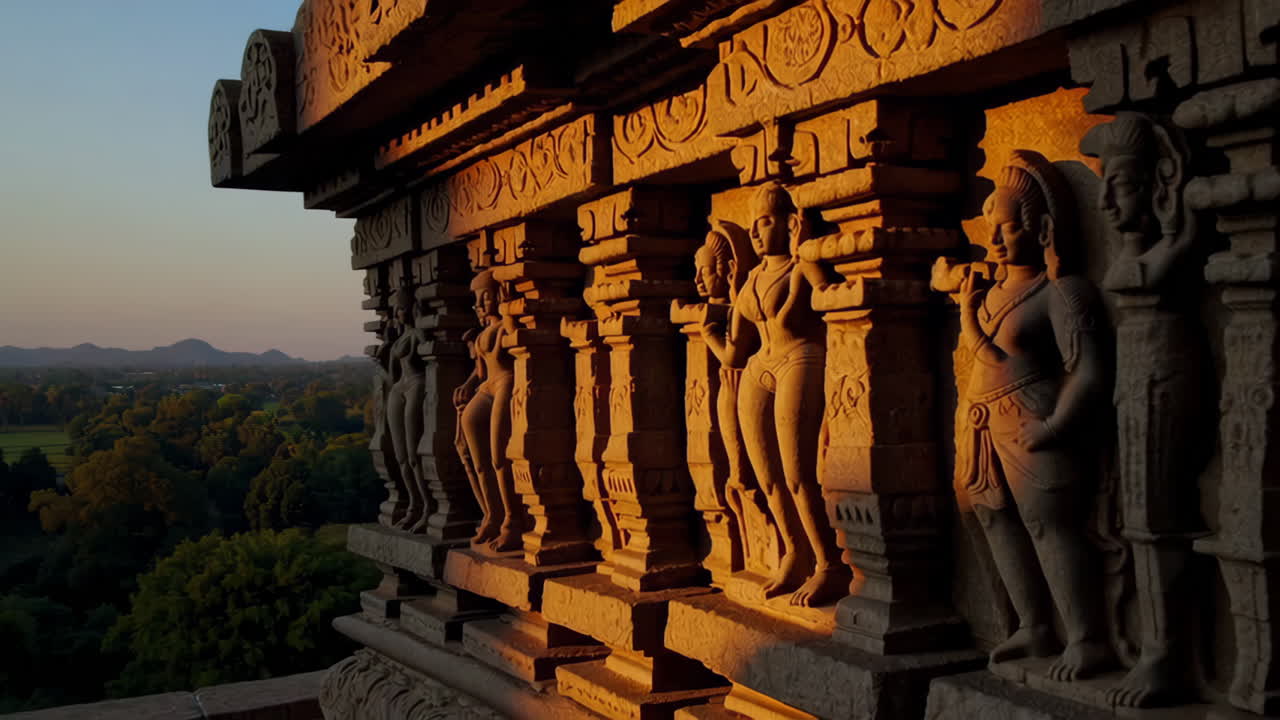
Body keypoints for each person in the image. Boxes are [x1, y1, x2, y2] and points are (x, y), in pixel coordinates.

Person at [950, 150, 1112, 681]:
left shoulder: (1060, 292)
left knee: (1051, 527)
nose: (995, 240)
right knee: (996, 522)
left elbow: (1087, 372)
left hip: (1034, 422)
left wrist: (1054, 426)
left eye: (1009, 227)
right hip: (984, 428)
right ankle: (1033, 624)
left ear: (1042, 229)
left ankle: (1087, 639)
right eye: (990, 228)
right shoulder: (992, 292)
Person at [703, 182, 848, 607]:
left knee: (799, 475)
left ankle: (829, 563)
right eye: (753, 223)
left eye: (765, 221)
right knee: (766, 476)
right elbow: (733, 353)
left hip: (799, 358)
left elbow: (828, 301)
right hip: (759, 368)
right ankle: (793, 551)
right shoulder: (749, 280)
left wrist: (808, 252)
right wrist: (708, 335)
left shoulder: (801, 266)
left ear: (790, 223)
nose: (755, 230)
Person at [452, 270, 520, 552]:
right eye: (477, 299)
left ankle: (513, 522)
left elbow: (518, 342)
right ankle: (492, 514)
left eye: (486, 297)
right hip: (487, 386)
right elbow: (479, 371)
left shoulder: (505, 325)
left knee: (499, 456)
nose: (480, 304)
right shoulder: (481, 334)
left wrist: (509, 302)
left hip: (506, 381)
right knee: (474, 456)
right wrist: (466, 386)